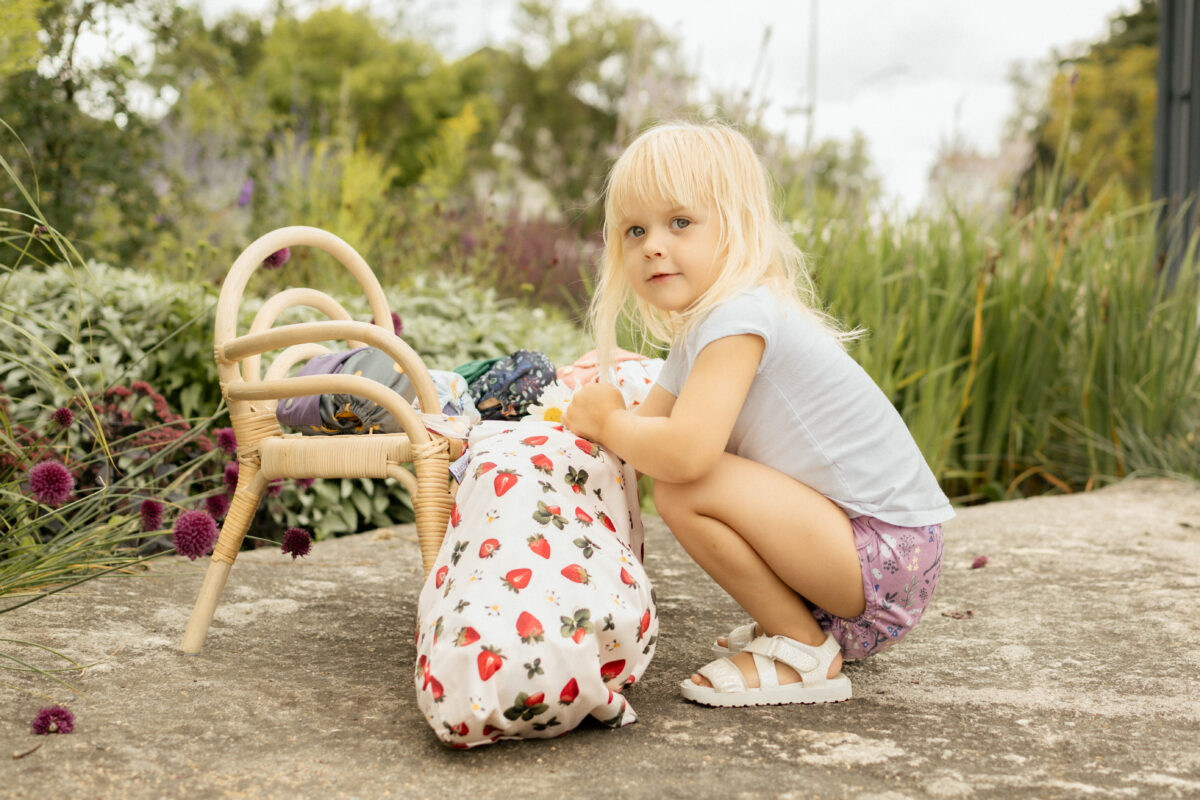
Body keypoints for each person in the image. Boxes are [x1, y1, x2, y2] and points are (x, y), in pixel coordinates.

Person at [562, 120, 954, 707]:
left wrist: (608, 421)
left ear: (736, 226)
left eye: (680, 223)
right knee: (675, 475)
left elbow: (680, 453)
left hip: (884, 555)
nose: (653, 246)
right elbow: (642, 436)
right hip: (866, 556)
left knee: (683, 485)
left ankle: (803, 649)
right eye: (635, 230)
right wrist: (593, 421)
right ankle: (797, 629)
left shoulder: (738, 316)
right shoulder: (703, 329)